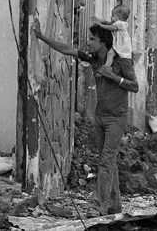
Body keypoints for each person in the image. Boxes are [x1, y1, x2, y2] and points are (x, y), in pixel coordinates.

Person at [32, 17, 139, 217]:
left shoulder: (122, 61)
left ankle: (99, 205)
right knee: (107, 161)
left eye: (93, 39)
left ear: (104, 42)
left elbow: (135, 86)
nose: (89, 42)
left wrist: (113, 76)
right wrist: (41, 36)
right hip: (100, 117)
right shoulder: (94, 58)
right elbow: (66, 49)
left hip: (117, 117)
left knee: (106, 161)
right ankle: (114, 206)